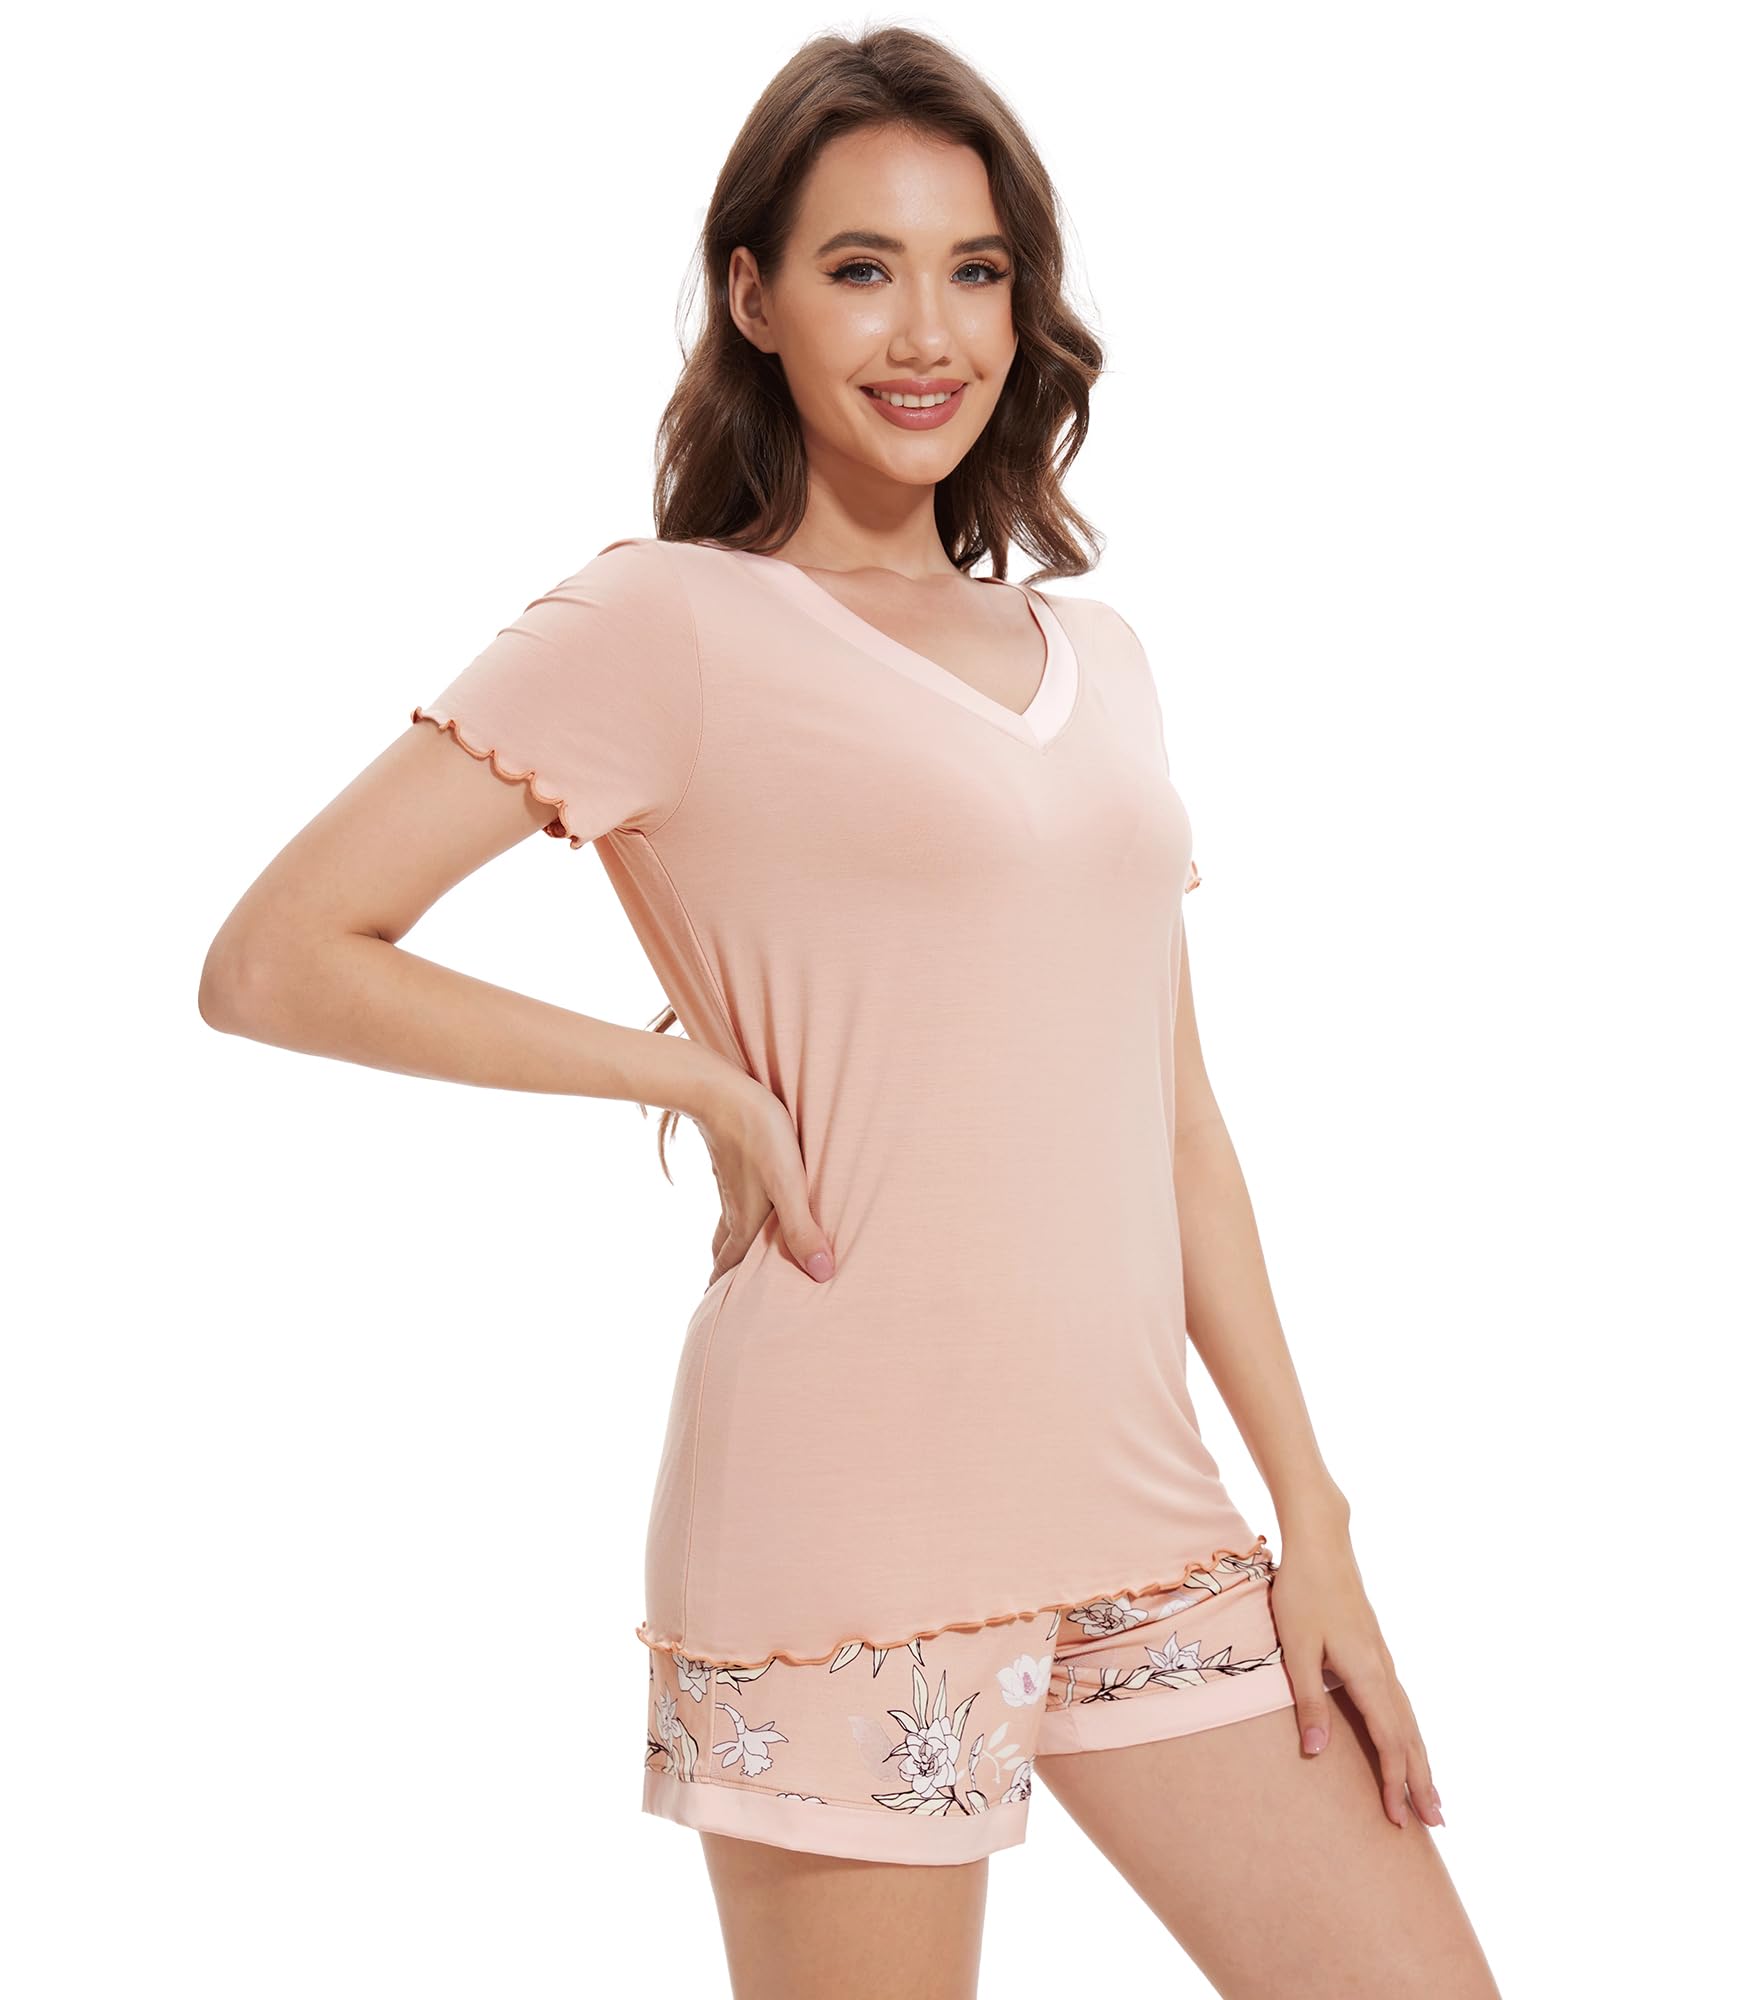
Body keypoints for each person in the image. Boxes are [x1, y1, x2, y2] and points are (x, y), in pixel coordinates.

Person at [200, 25, 1500, 1999]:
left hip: (1147, 1520)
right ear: (752, 296)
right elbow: (280, 953)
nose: (926, 332)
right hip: (841, 1537)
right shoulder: (663, 624)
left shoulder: (1101, 659)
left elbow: (1172, 1126)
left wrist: (1309, 1523)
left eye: (973, 270)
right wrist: (694, 1083)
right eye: (858, 267)